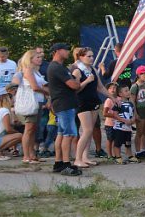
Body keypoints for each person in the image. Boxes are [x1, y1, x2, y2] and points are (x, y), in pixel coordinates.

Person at [47, 43, 84, 175]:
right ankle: (66, 164)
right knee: (69, 134)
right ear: (57, 51)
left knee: (62, 134)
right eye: (66, 49)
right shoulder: (57, 68)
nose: (68, 51)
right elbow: (74, 85)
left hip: (62, 104)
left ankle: (58, 163)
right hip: (64, 105)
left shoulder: (58, 67)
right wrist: (78, 78)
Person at [71, 47, 105, 169]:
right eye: (88, 56)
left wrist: (112, 97)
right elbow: (76, 89)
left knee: (89, 132)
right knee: (87, 130)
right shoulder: (77, 70)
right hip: (82, 102)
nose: (91, 58)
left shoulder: (93, 69)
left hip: (93, 101)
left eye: (92, 56)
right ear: (81, 57)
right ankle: (77, 158)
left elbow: (100, 87)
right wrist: (87, 81)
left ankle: (85, 157)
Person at [12, 49, 48, 164]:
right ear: (30, 59)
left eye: (40, 57)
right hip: (30, 103)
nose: (40, 59)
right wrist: (48, 92)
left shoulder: (36, 71)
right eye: (37, 57)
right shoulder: (28, 70)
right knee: (28, 129)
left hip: (38, 102)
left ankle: (32, 154)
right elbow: (35, 87)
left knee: (33, 129)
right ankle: (26, 156)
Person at [107, 83, 137, 164]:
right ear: (120, 94)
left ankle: (130, 156)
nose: (128, 92)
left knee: (128, 143)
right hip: (119, 128)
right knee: (118, 143)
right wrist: (124, 120)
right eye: (126, 91)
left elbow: (133, 113)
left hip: (128, 128)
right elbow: (114, 114)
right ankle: (118, 157)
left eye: (128, 90)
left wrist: (133, 119)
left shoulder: (130, 104)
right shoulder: (118, 103)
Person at [130, 65, 145, 159]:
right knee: (139, 132)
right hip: (140, 109)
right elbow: (132, 101)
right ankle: (137, 151)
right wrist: (135, 113)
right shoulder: (134, 86)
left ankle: (143, 150)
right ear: (139, 74)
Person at [0, 93, 23, 159]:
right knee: (19, 136)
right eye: (12, 99)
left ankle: (0, 152)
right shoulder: (4, 111)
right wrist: (17, 132)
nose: (14, 101)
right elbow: (8, 129)